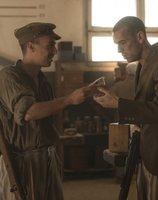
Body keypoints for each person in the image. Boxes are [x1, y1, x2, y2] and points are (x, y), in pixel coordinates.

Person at [93, 16, 158, 200]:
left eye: (123, 43)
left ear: (140, 37)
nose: (119, 50)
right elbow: (147, 106)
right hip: (149, 154)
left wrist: (119, 104)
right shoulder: (143, 64)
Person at [0, 22, 90, 200]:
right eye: (50, 45)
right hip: (22, 165)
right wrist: (69, 99)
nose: (54, 51)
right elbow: (29, 112)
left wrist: (57, 152)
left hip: (48, 161)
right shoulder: (9, 76)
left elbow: (48, 125)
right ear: (31, 47)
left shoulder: (43, 81)